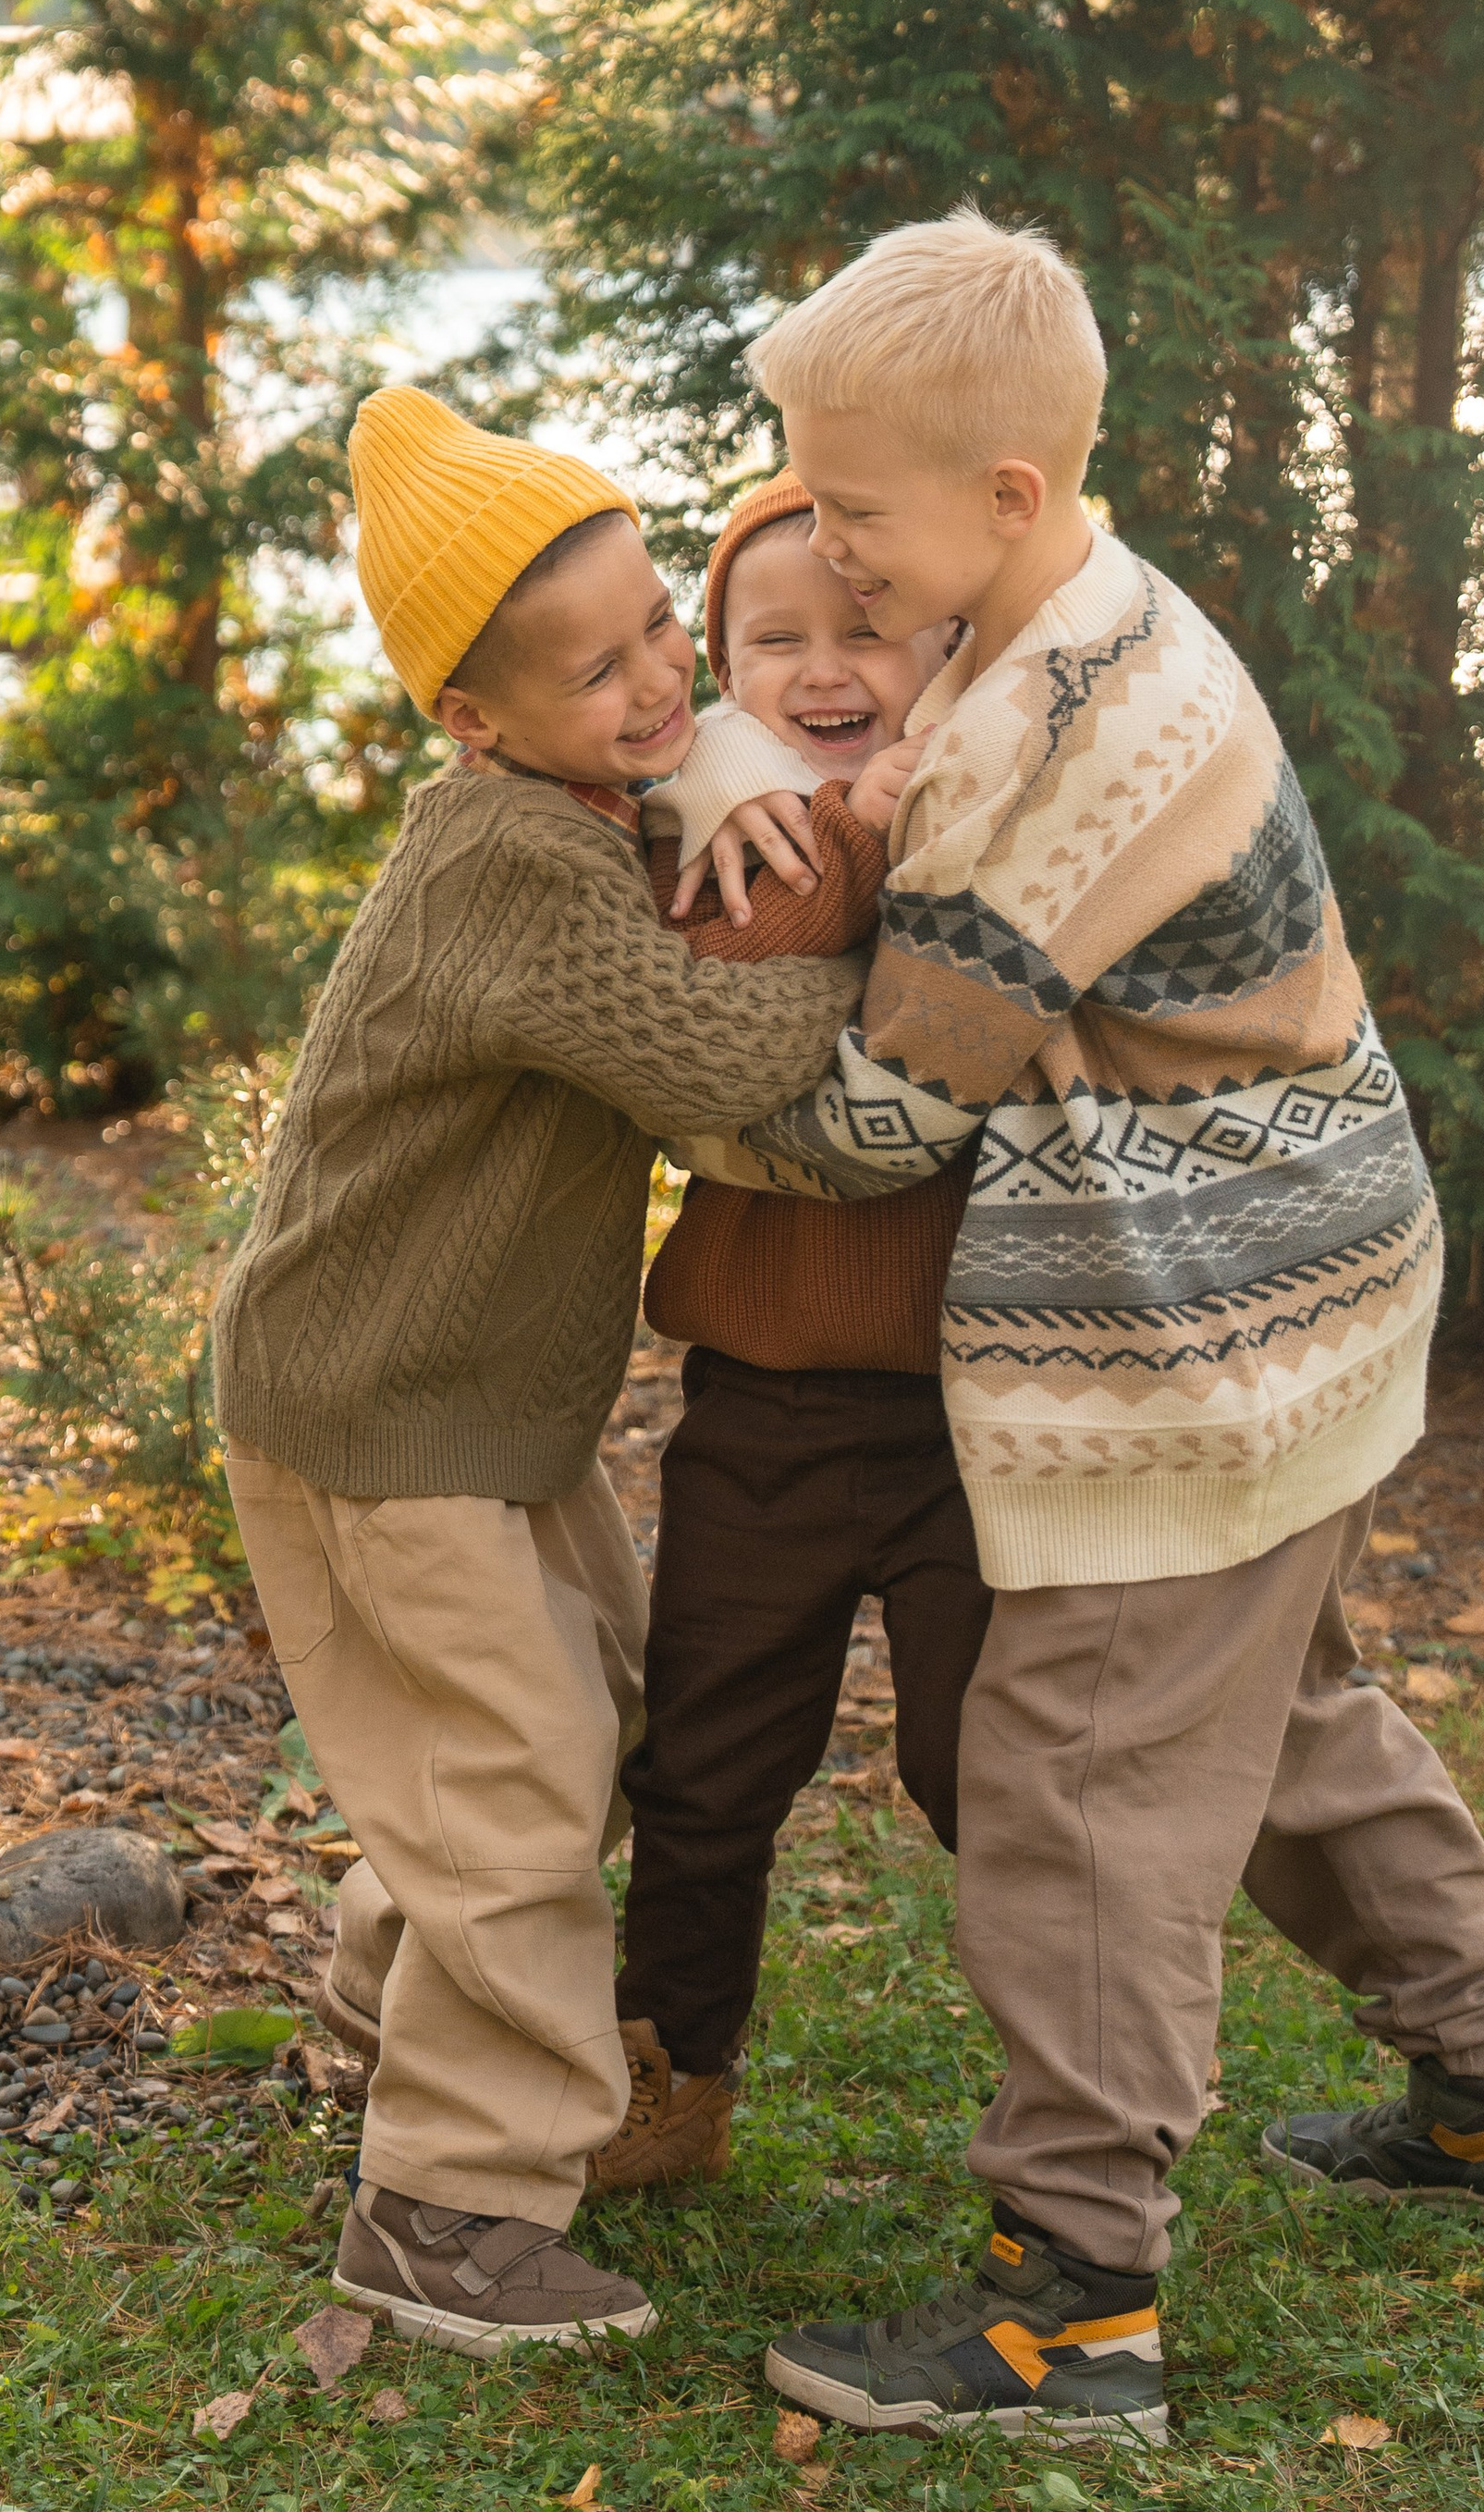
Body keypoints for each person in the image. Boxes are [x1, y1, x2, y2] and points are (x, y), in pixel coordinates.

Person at [673, 214, 1484, 2451]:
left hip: (1191, 1334)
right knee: (1273, 1705)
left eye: (856, 511)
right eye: (800, 490)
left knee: (1078, 1773)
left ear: (1001, 492)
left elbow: (890, 1107)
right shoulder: (1093, 622)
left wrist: (669, 1072)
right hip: (1321, 1277)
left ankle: (1069, 2299)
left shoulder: (1032, 737)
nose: (822, 543)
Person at [212, 387, 872, 2357]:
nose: (663, 676)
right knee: (510, 1784)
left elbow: (669, 788)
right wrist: (900, 947)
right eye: (602, 669)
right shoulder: (507, 860)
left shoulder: (574, 798)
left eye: (666, 623)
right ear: (476, 721)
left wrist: (706, 758)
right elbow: (707, 1054)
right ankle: (450, 2207)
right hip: (377, 1409)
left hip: (473, 1406)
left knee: (577, 1709)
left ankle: (375, 2001)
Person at [587, 475, 994, 2191]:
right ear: (723, 669)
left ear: (948, 643)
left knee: (990, 1767)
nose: (827, 668)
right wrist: (845, 824)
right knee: (710, 1760)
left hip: (984, 1417)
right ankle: (673, 2075)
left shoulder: (997, 797)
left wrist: (909, 821)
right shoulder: (705, 819)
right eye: (777, 639)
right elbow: (733, 945)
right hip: (762, 1402)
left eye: (866, 628)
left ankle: (1088, 2082)